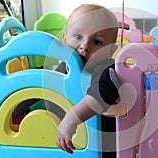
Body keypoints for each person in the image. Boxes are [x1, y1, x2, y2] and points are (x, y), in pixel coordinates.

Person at [55, 4, 120, 155]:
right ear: (64, 39)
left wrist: (72, 118)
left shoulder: (106, 67)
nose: (84, 46)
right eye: (78, 37)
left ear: (110, 51)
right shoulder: (64, 67)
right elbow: (44, 90)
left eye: (97, 42)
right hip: (70, 145)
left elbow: (101, 95)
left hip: (102, 147)